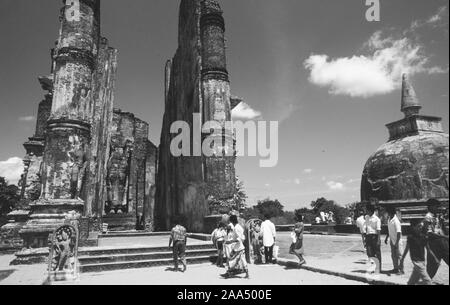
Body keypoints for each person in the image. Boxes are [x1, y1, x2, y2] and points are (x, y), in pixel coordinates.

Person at [400, 219, 433, 285]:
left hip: (422, 262)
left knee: (411, 282)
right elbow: (407, 249)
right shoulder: (410, 237)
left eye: (421, 226)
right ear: (413, 227)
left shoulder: (424, 237)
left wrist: (435, 258)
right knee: (428, 281)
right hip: (416, 262)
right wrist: (402, 259)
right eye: (418, 226)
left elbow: (428, 249)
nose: (421, 227)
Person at [422, 202, 449, 279]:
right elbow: (429, 233)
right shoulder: (428, 217)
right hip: (434, 244)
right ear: (430, 206)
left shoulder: (436, 216)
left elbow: (439, 228)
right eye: (436, 206)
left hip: (442, 242)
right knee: (432, 268)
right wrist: (445, 237)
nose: (438, 208)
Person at [222, 215, 249, 279]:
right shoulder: (237, 226)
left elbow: (241, 238)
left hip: (238, 247)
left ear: (231, 221)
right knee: (242, 260)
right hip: (239, 247)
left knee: (231, 259)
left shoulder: (237, 228)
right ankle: (246, 273)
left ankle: (229, 272)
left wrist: (231, 241)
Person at [384, 207, 404, 275]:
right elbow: (389, 230)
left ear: (391, 213)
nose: (387, 214)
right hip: (392, 240)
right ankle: (395, 268)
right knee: (393, 255)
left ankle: (401, 270)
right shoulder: (389, 219)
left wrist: (396, 243)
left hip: (397, 241)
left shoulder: (396, 221)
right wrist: (387, 238)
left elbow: (399, 233)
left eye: (388, 213)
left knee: (399, 256)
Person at [365, 203, 382, 273]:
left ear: (371, 211)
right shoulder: (366, 217)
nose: (366, 212)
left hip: (374, 236)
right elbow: (366, 227)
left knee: (377, 253)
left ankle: (378, 268)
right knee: (369, 252)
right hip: (368, 236)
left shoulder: (377, 219)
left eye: (367, 210)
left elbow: (378, 230)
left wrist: (378, 240)